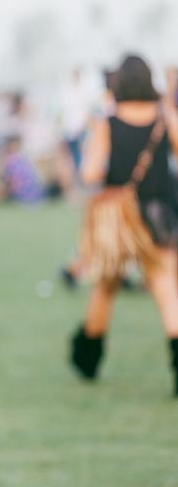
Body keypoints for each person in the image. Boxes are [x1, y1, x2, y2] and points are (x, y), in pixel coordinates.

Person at [71, 55, 178, 395]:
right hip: (158, 216)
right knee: (166, 290)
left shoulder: (108, 122)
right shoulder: (164, 117)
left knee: (105, 287)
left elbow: (90, 173)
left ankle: (87, 357)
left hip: (117, 220)